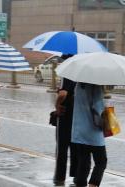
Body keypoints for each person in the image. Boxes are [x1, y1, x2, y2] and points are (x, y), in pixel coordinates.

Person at [72, 83, 107, 187]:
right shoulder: (96, 86)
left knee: (83, 163)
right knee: (101, 162)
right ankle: (93, 185)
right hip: (93, 132)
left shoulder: (78, 85)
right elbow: (98, 108)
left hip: (79, 131)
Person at [53, 58, 77, 186]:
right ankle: (76, 176)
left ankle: (59, 178)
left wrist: (56, 105)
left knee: (62, 149)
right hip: (78, 117)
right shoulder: (81, 74)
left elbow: (63, 94)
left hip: (64, 115)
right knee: (75, 148)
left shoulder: (66, 73)